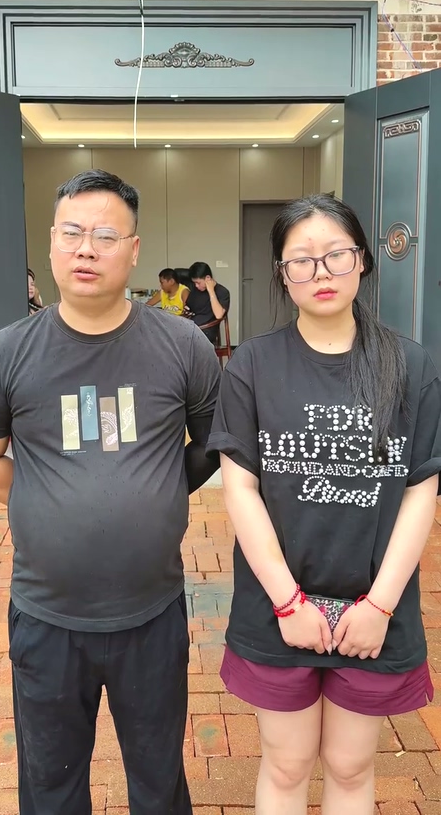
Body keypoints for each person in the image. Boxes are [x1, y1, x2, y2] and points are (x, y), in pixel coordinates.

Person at [0, 169, 221, 815]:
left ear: (134, 249)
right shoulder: (8, 352)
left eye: (105, 236)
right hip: (48, 618)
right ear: (51, 243)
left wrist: (158, 487)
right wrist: (47, 495)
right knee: (51, 787)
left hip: (151, 614)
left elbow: (215, 442)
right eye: (71, 233)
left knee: (158, 783)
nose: (86, 249)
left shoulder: (182, 344)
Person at [206, 194, 441, 815]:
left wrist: (380, 606)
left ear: (362, 260)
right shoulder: (253, 364)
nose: (321, 272)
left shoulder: (410, 365)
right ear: (282, 274)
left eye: (336, 254)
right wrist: (287, 601)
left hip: (374, 613)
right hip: (279, 608)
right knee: (286, 764)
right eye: (302, 260)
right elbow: (240, 488)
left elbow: (420, 491)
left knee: (350, 764)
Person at [185, 262, 230, 345]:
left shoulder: (222, 292)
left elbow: (219, 315)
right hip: (192, 327)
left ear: (208, 278)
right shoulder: (196, 291)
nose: (196, 286)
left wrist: (211, 291)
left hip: (206, 330)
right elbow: (188, 307)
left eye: (198, 283)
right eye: (194, 283)